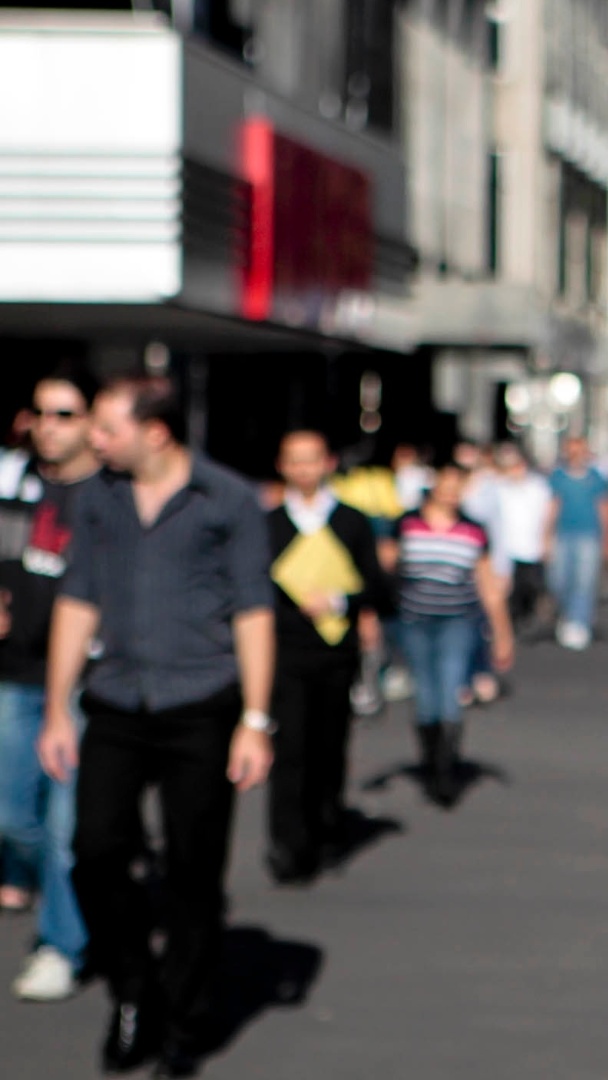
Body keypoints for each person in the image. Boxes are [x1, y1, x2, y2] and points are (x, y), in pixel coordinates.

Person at [37, 376, 275, 1077]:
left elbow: (254, 610)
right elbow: (77, 599)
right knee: (96, 849)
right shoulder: (97, 497)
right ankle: (133, 988)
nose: (93, 440)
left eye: (107, 428)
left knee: (193, 869)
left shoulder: (226, 499)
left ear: (156, 432)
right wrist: (58, 707)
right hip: (115, 699)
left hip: (201, 703)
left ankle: (185, 1014)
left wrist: (255, 721)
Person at [0, 366, 100, 1002]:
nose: (50, 427)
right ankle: (73, 891)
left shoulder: (111, 497)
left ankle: (61, 943)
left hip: (85, 687)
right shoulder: (15, 485)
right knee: (11, 816)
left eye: (65, 414)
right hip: (14, 676)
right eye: (42, 413)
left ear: (92, 423)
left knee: (65, 827)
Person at [264, 432, 388, 885]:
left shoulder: (351, 522)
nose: (303, 469)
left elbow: (378, 587)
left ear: (328, 462)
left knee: (329, 745)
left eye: (311, 460)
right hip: (287, 651)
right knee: (290, 747)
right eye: (294, 461)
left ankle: (326, 829)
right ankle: (288, 846)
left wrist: (339, 601)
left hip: (337, 651)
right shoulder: (270, 524)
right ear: (282, 465)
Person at [394, 463, 513, 807]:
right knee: (426, 696)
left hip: (457, 623)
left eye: (457, 486)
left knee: (449, 691)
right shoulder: (407, 524)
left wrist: (502, 632)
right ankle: (430, 758)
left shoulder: (474, 530)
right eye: (444, 484)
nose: (450, 492)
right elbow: (388, 569)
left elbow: (488, 586)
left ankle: (446, 769)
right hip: (414, 622)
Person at [465, 442, 551, 636]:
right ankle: (507, 626)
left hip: (531, 547)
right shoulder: (495, 487)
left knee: (530, 587)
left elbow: (547, 514)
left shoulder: (537, 486)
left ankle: (526, 619)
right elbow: (474, 507)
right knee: (507, 591)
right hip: (505, 549)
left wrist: (547, 539)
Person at [545, 436, 608, 650]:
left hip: (589, 535)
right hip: (563, 534)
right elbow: (553, 506)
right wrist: (546, 535)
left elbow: (605, 508)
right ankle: (566, 615)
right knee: (559, 579)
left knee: (584, 581)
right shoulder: (558, 477)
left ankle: (579, 622)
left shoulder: (595, 478)